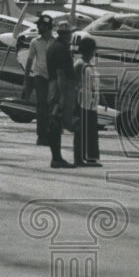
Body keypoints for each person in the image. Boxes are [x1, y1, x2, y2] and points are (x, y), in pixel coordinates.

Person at [45, 21, 78, 168]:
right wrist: (62, 95)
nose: (71, 35)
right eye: (70, 33)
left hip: (53, 86)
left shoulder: (52, 47)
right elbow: (60, 73)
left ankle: (56, 157)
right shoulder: (61, 49)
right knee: (56, 122)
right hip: (60, 87)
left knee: (55, 122)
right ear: (66, 34)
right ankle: (57, 158)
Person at [22, 14, 55, 145]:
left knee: (51, 106)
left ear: (48, 27)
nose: (38, 27)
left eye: (41, 25)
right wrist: (26, 80)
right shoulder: (35, 42)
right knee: (41, 105)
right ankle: (41, 136)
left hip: (53, 78)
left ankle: (50, 134)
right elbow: (29, 61)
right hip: (39, 76)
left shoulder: (56, 42)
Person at [73, 36, 102, 167]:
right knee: (81, 131)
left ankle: (91, 158)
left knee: (91, 131)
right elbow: (74, 84)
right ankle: (78, 158)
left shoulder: (91, 66)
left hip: (92, 103)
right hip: (82, 102)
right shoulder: (80, 65)